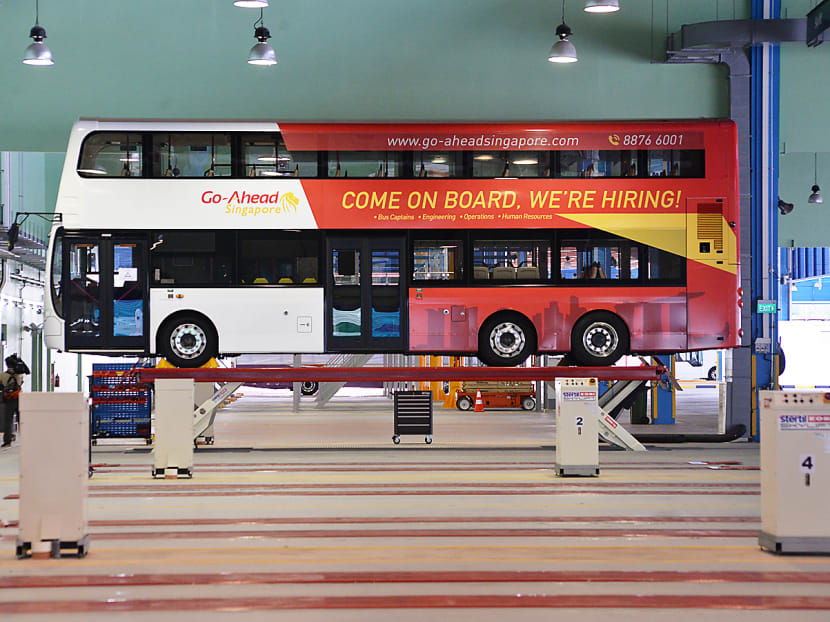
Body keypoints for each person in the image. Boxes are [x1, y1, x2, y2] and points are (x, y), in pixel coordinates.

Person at [0, 355, 27, 447]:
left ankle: (7, 441)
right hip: (20, 398)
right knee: (22, 420)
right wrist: (20, 361)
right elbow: (27, 371)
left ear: (7, 365)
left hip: (9, 399)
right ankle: (25, 439)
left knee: (8, 420)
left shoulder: (2, 375)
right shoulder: (19, 375)